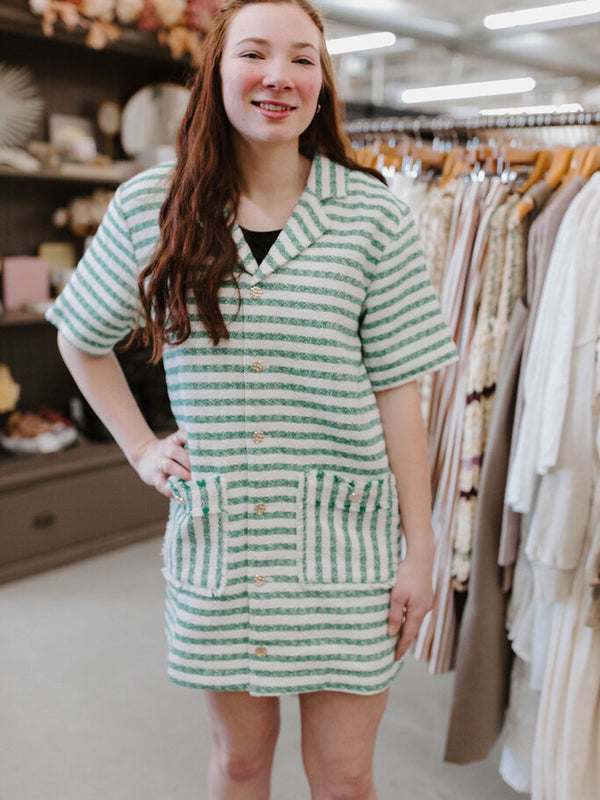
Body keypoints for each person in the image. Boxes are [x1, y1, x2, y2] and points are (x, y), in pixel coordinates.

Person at [47, 0, 457, 796]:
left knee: (342, 773)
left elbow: (399, 390)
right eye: (255, 55)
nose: (279, 76)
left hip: (349, 545)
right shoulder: (150, 207)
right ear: (216, 72)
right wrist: (139, 446)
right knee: (238, 763)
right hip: (224, 545)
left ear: (323, 83)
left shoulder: (373, 216)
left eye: (304, 59)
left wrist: (421, 545)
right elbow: (79, 335)